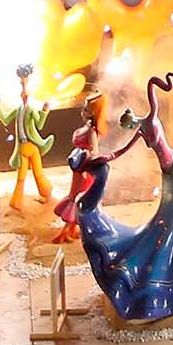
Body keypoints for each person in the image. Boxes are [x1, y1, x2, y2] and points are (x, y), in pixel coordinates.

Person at [75, 74, 173, 323]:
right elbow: (129, 143)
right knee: (170, 223)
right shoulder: (144, 125)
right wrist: (110, 155)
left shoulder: (150, 124)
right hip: (172, 171)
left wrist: (109, 155)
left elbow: (139, 134)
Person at [0, 63, 56, 209]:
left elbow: (40, 124)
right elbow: (5, 119)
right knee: (21, 178)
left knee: (38, 174)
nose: (24, 94)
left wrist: (44, 111)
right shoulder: (17, 110)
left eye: (26, 93)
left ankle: (46, 194)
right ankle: (16, 203)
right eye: (22, 92)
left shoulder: (31, 110)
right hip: (22, 148)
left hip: (33, 147)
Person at [52, 95, 108, 244]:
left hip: (84, 171)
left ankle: (67, 229)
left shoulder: (92, 131)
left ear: (93, 113)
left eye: (87, 110)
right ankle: (71, 229)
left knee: (77, 198)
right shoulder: (87, 128)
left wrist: (86, 160)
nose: (83, 112)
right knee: (73, 196)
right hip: (78, 170)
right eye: (84, 109)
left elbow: (94, 151)